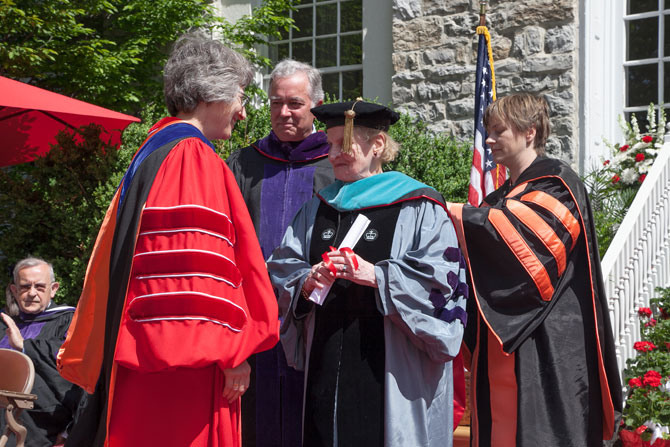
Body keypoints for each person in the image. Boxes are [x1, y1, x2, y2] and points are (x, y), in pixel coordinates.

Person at [57, 33, 279, 447]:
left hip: (145, 354)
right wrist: (231, 351)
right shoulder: (191, 158)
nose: (244, 113)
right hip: (182, 370)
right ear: (209, 93)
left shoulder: (156, 147)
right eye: (239, 97)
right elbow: (192, 275)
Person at [267, 101, 467, 447]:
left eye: (342, 145)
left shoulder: (418, 205)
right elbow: (283, 268)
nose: (332, 155)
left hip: (391, 367)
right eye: (328, 145)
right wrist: (305, 282)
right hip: (326, 360)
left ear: (377, 145)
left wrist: (378, 276)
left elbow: (442, 281)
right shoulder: (318, 208)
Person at [447, 93, 622, 446]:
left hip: (546, 340)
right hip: (501, 345)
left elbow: (527, 250)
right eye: (488, 131)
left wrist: (452, 211)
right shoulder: (498, 198)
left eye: (498, 131)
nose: (489, 140)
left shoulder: (556, 183)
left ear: (529, 132)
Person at [226, 59, 334, 447]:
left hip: (314, 315)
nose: (283, 112)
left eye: (295, 103)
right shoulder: (244, 163)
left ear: (317, 106)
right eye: (275, 103)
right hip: (253, 315)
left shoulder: (335, 165)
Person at [1, 257, 82, 447]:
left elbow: (71, 361)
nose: (31, 293)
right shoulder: (4, 322)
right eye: (24, 287)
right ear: (14, 290)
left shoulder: (69, 321)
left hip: (40, 418)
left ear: (53, 289)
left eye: (39, 287)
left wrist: (23, 346)